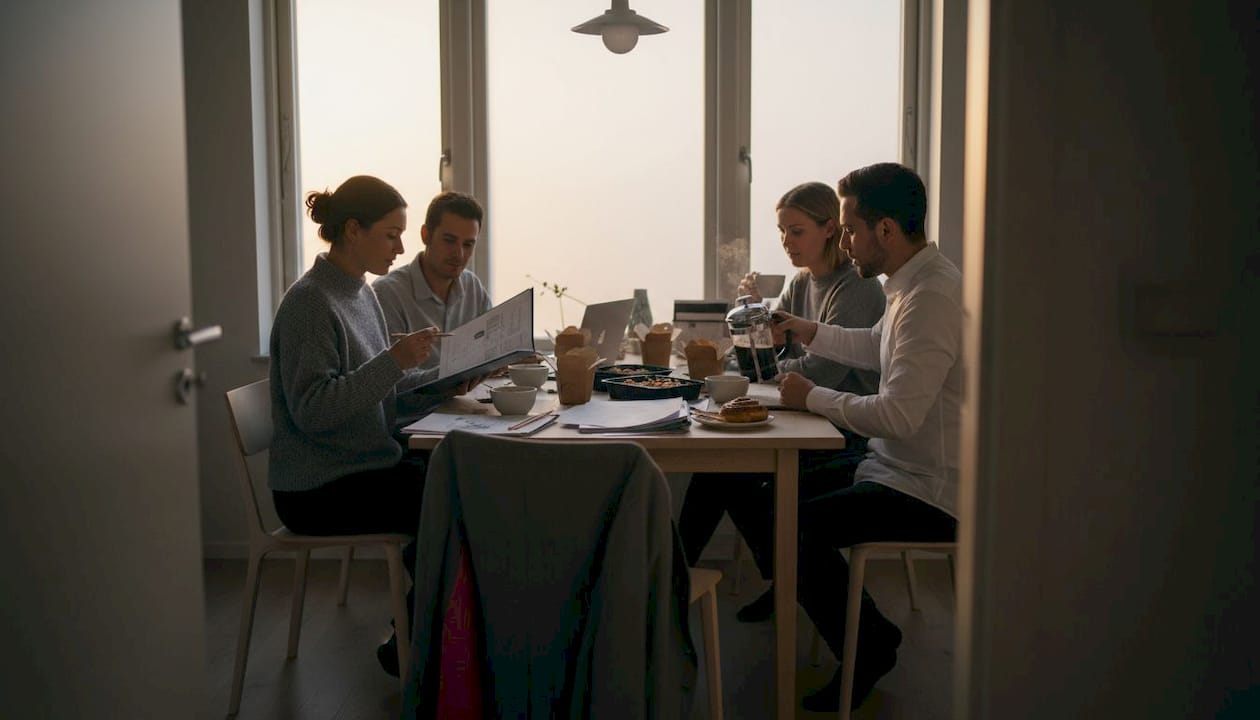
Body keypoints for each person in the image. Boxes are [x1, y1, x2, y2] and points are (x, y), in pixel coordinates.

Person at [772, 162, 962, 712]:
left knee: (790, 526)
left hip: (927, 489)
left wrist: (812, 398)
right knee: (775, 506)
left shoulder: (930, 297)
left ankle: (872, 644)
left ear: (884, 231)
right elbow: (873, 345)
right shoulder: (910, 284)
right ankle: (855, 633)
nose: (845, 240)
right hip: (892, 468)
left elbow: (898, 417)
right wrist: (807, 330)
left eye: (850, 228)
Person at [676, 181, 885, 621]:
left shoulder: (857, 289)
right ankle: (775, 580)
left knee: (730, 474)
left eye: (796, 231)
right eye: (782, 231)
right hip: (808, 417)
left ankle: (780, 580)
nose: (786, 242)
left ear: (830, 228)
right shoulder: (801, 281)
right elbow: (776, 361)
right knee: (718, 469)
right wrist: (755, 321)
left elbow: (819, 372)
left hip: (846, 433)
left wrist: (773, 359)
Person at [268, 175, 437, 677]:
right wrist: (393, 362)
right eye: (391, 234)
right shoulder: (309, 303)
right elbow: (314, 410)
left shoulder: (359, 294)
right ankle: (416, 641)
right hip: (318, 488)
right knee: (451, 495)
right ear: (352, 230)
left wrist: (445, 379)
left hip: (362, 466)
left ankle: (421, 634)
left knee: (455, 475)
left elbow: (376, 386)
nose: (401, 247)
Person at [373, 191, 493, 423]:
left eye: (468, 244)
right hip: (411, 426)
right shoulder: (386, 293)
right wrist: (446, 381)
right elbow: (389, 388)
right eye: (449, 241)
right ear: (425, 235)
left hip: (464, 415)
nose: (459, 254)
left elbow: (490, 349)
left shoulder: (472, 286)